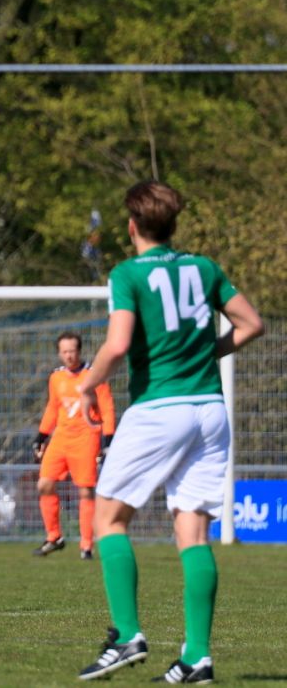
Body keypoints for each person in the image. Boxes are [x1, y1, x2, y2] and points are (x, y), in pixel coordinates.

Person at [75, 181, 264, 682]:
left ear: (132, 226)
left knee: (108, 521)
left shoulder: (127, 273)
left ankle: (129, 634)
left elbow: (116, 346)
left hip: (161, 407)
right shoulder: (204, 268)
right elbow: (251, 323)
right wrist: (210, 354)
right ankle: (197, 656)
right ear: (174, 225)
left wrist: (87, 386)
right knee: (193, 532)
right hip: (209, 409)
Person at [31, 331, 115, 560]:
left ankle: (86, 545)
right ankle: (54, 537)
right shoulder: (56, 378)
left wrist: (107, 442)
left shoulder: (94, 375)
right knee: (44, 484)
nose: (68, 355)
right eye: (64, 351)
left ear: (79, 351)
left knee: (86, 490)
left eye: (72, 351)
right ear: (59, 353)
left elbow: (107, 409)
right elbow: (52, 408)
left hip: (86, 437)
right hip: (61, 439)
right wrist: (41, 436)